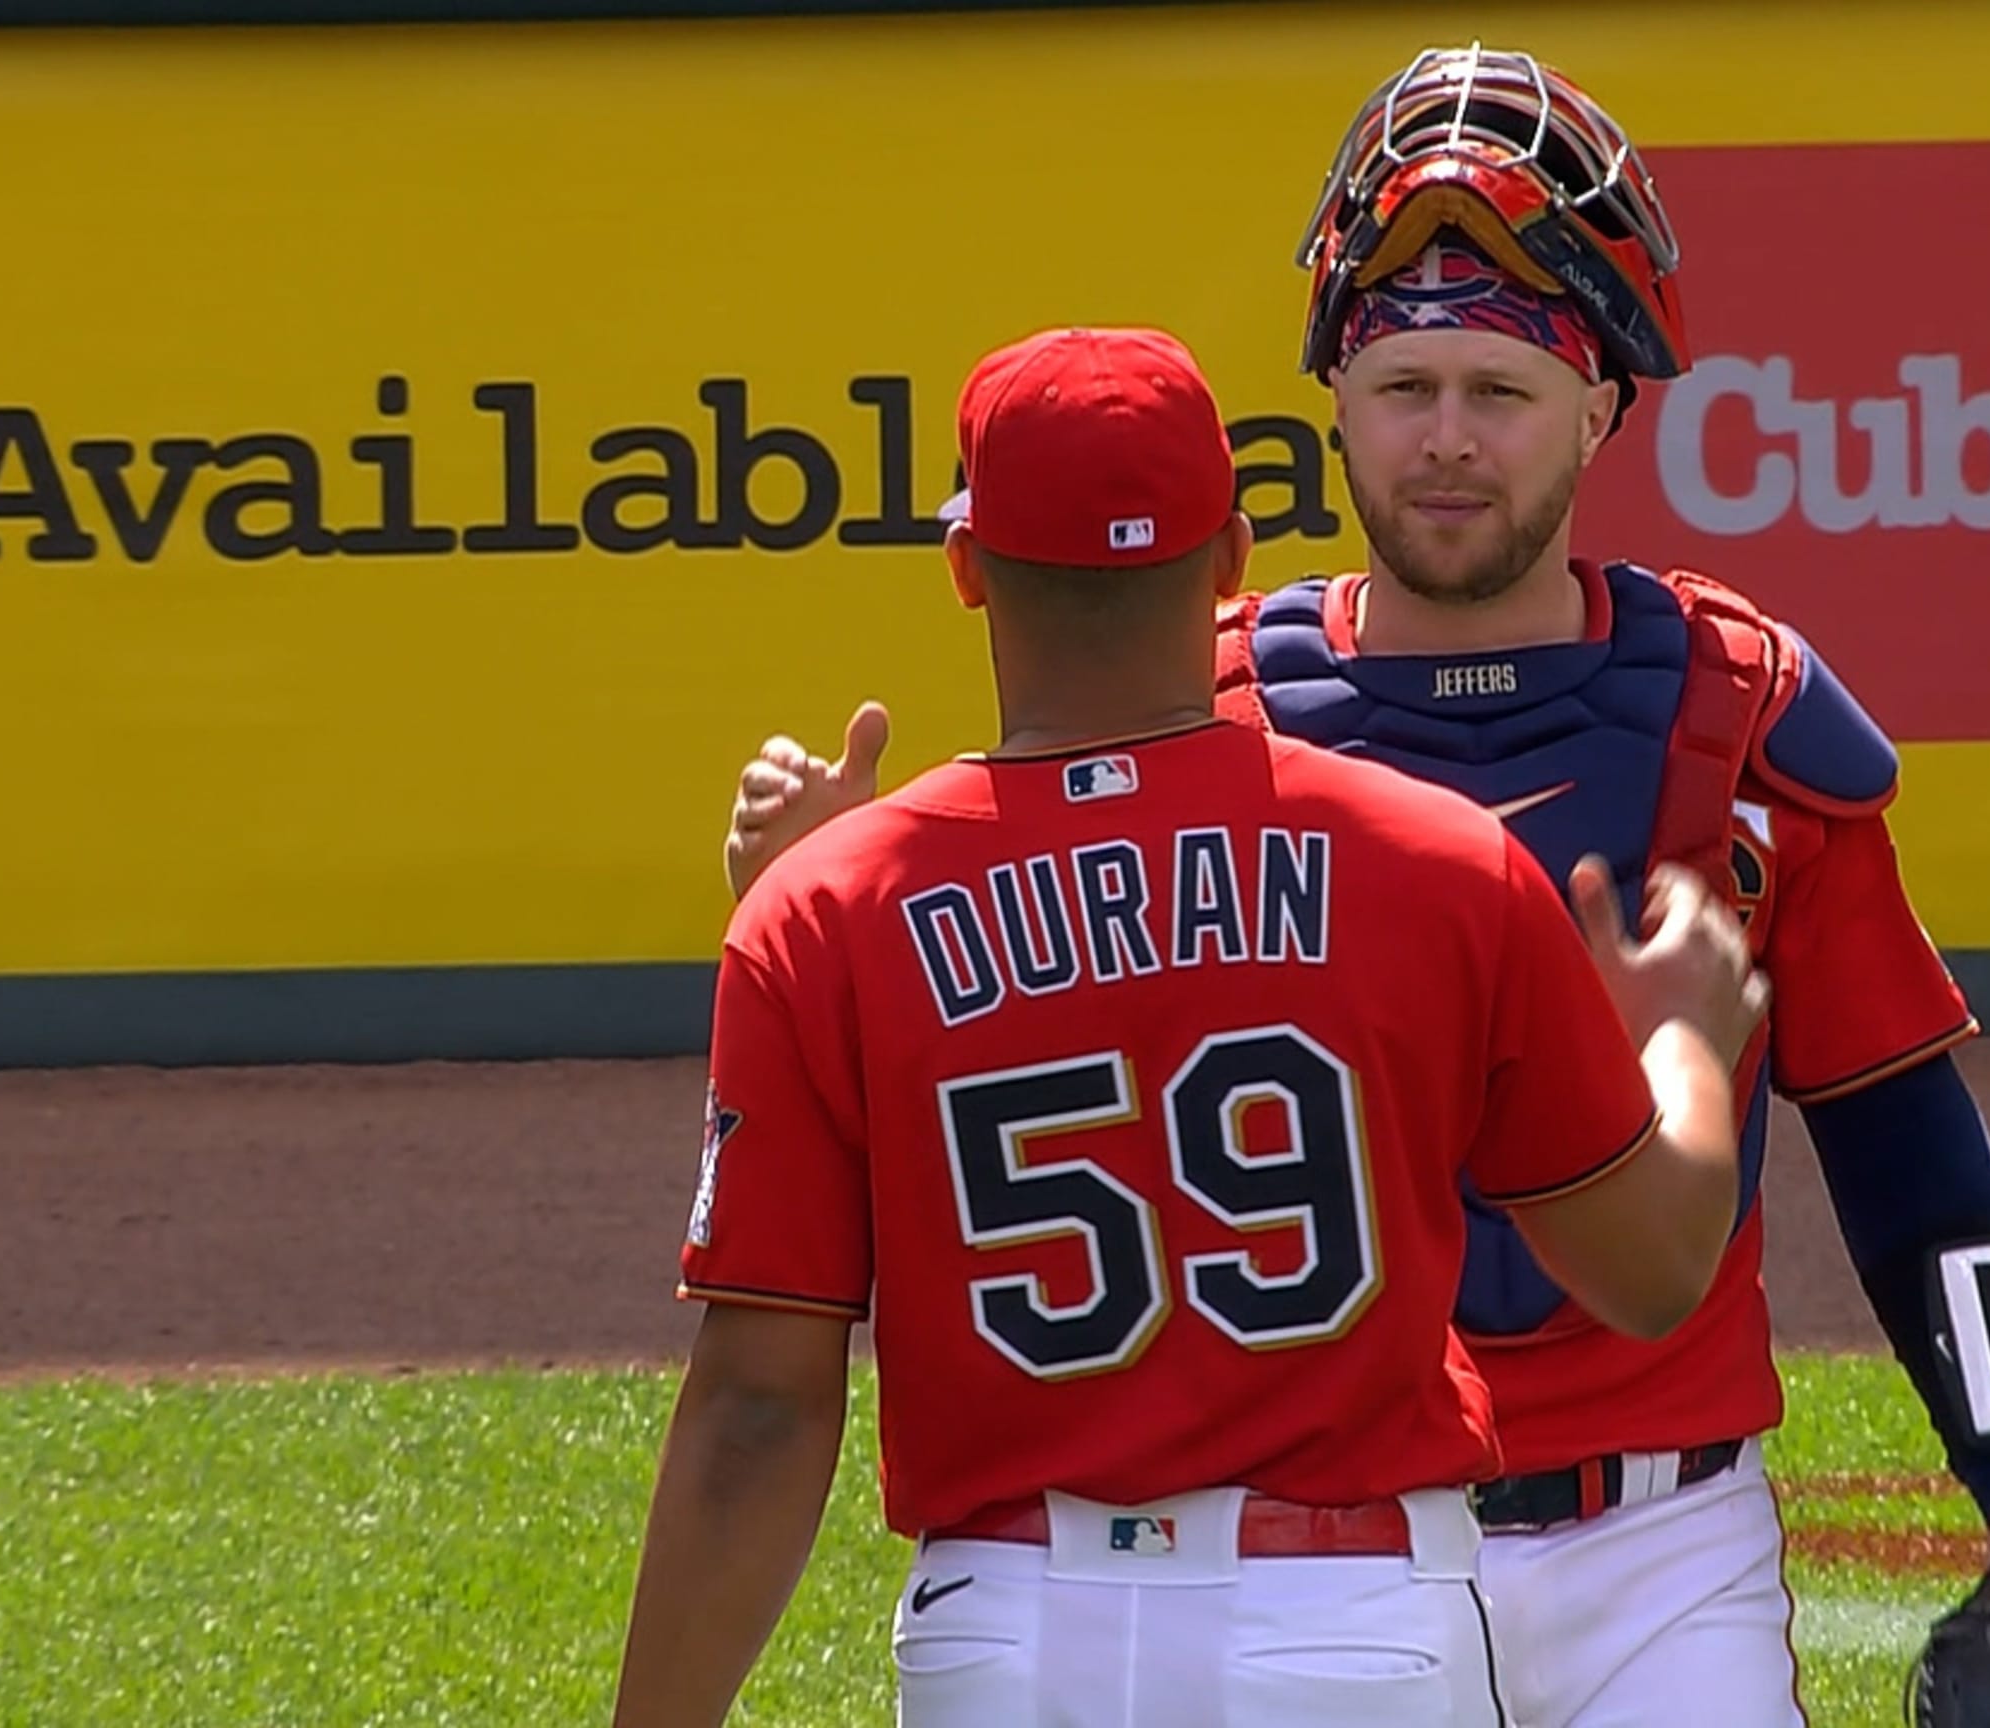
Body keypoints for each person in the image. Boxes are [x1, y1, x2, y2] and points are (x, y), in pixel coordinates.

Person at [719, 47, 1990, 1728]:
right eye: (1405, 391)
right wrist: (811, 897)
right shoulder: (1199, 709)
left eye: (1500, 391)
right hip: (1305, 1555)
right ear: (1333, 398)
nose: (1448, 445)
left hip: (1659, 1544)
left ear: (1604, 404)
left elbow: (1907, 1146)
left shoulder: (1739, 721)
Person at [610, 323, 1770, 1728]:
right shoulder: (1443, 862)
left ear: (968, 569)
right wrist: (1685, 1048)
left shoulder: (830, 911)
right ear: (1229, 561)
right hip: (1357, 1635)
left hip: (1014, 1640)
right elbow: (1650, 1274)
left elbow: (759, 1408)